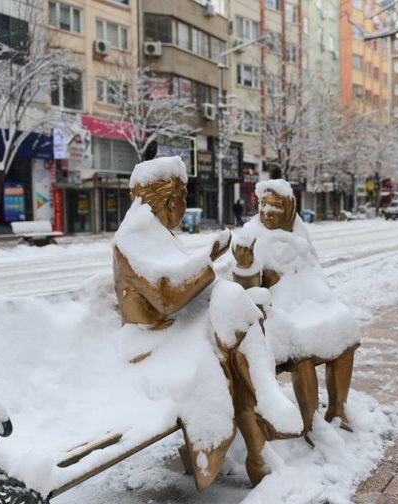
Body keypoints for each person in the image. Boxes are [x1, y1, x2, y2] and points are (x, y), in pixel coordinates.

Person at [113, 157, 300, 488]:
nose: (185, 207)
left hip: (170, 332)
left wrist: (214, 266)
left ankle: (259, 444)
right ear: (171, 200)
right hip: (150, 345)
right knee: (229, 319)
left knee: (230, 320)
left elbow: (174, 283)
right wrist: (209, 256)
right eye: (184, 199)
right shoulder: (133, 237)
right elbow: (167, 293)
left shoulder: (152, 232)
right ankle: (265, 406)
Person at [231, 179, 360, 438]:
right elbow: (248, 291)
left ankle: (337, 410)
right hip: (277, 314)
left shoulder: (299, 234)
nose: (267, 211)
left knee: (344, 333)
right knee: (304, 352)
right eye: (264, 205)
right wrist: (245, 266)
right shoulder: (252, 238)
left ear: (289, 208)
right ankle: (310, 422)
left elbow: (315, 273)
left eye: (276, 206)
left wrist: (324, 299)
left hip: (309, 303)